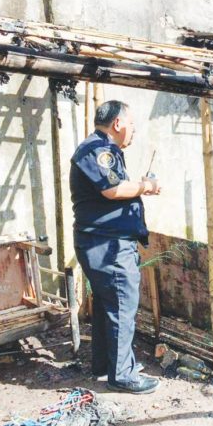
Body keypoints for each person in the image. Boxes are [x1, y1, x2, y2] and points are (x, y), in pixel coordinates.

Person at [70, 100, 161, 394]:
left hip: (103, 242)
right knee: (122, 305)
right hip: (107, 245)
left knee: (109, 305)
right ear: (118, 124)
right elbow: (112, 190)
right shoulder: (98, 150)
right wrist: (145, 187)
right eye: (131, 124)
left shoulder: (104, 150)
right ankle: (123, 375)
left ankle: (106, 365)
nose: (133, 130)